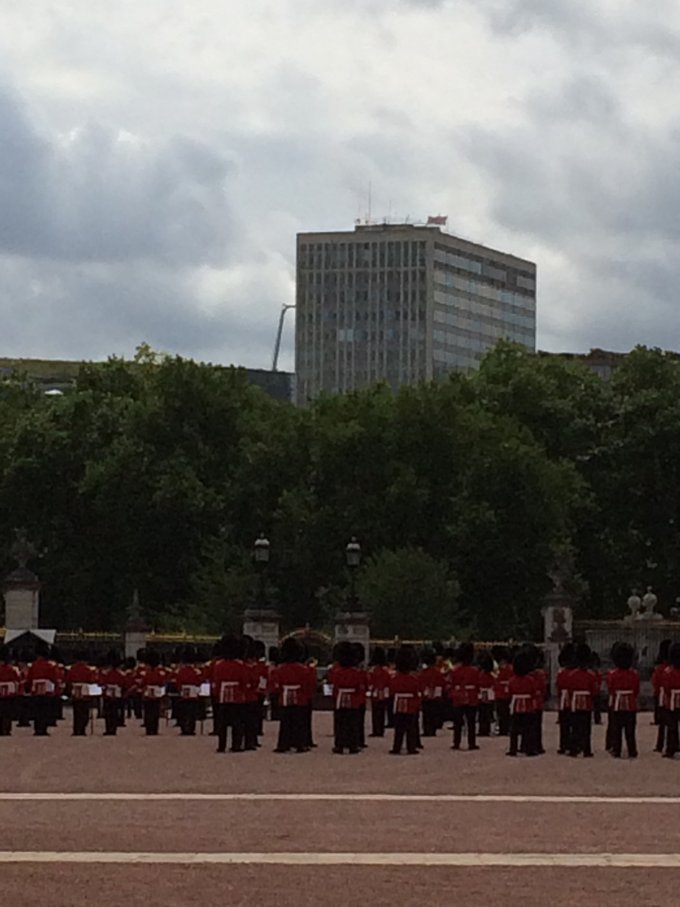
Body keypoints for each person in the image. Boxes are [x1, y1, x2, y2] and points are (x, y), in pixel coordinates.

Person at [272, 637, 314, 753]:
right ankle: (299, 744)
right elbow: (307, 685)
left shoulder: (279, 669)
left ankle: (283, 744)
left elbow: (277, 685)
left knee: (285, 722)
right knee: (298, 722)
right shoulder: (304, 670)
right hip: (300, 697)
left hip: (285, 696)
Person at [212, 635, 248, 753]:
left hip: (223, 695)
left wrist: (217, 694)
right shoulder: (240, 665)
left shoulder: (219, 665)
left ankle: (221, 746)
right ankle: (236, 745)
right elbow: (244, 681)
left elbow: (216, 681)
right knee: (237, 723)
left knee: (222, 724)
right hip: (237, 695)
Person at [606, 642, 639, 759]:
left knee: (617, 729)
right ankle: (632, 750)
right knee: (630, 729)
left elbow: (611, 689)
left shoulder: (612, 674)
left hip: (617, 704)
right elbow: (636, 690)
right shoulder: (634, 674)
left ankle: (617, 749)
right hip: (630, 703)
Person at [330, 641, 365, 754]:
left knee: (340, 723)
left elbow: (334, 686)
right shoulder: (357, 673)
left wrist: (335, 698)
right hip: (353, 699)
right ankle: (352, 745)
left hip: (340, 698)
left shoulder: (336, 672)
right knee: (352, 723)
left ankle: (339, 744)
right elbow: (359, 688)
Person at [564, 643, 598, 758]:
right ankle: (586, 749)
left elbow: (569, 690)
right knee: (586, 728)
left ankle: (574, 749)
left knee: (575, 727)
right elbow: (594, 691)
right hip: (587, 703)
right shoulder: (591, 675)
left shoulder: (571, 675)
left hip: (575, 702)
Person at [389, 645, 422, 755]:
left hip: (398, 703)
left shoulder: (394, 679)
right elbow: (416, 692)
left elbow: (392, 691)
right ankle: (411, 747)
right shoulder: (413, 679)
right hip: (411, 704)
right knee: (410, 728)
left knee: (399, 728)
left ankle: (396, 747)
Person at [448, 642, 480, 751]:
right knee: (471, 722)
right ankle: (472, 743)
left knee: (457, 722)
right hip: (471, 697)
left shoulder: (455, 671)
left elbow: (452, 684)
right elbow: (477, 685)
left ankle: (456, 742)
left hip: (458, 696)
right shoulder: (475, 671)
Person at [507, 650, 537, 757]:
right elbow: (533, 693)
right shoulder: (530, 680)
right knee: (528, 729)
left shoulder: (512, 680)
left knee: (514, 729)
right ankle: (529, 749)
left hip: (515, 705)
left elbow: (509, 693)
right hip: (528, 705)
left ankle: (513, 749)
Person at [26, 641, 60, 736]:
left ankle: (37, 728)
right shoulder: (50, 665)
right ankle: (43, 728)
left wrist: (28, 687)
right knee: (45, 710)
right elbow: (54, 679)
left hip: (36, 689)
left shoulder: (33, 665)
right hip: (47, 690)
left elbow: (30, 678)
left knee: (37, 710)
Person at [66, 649, 96, 736]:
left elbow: (68, 680)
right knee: (84, 711)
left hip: (76, 691)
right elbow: (91, 680)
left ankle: (76, 729)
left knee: (76, 711)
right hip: (85, 691)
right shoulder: (88, 670)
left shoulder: (73, 668)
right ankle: (82, 729)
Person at [176, 645, 203, 736]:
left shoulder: (181, 671)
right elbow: (199, 682)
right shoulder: (196, 671)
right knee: (192, 712)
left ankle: (184, 728)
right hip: (193, 692)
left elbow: (178, 682)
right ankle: (190, 729)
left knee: (183, 711)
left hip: (183, 692)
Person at [99, 650, 127, 736]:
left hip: (108, 693)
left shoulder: (106, 673)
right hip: (117, 693)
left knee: (108, 712)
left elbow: (101, 682)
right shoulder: (121, 673)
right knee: (114, 712)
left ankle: (109, 728)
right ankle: (113, 728)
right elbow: (124, 684)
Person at [419, 648, 445, 738]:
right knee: (434, 712)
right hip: (436, 694)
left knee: (426, 713)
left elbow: (421, 683)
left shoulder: (423, 672)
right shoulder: (438, 673)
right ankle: (432, 729)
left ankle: (427, 729)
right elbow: (442, 683)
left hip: (426, 693)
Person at [661, 642, 680, 759]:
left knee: (672, 726)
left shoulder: (668, 672)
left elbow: (666, 688)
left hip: (672, 701)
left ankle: (671, 749)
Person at [141, 648, 166, 737]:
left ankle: (150, 729)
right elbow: (162, 682)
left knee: (149, 711)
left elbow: (143, 682)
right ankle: (153, 729)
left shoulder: (146, 673)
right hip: (155, 692)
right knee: (154, 711)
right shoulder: (159, 672)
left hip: (149, 692)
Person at [652, 640, 671, 753]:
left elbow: (656, 683)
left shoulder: (659, 670)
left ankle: (660, 745)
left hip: (663, 698)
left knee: (663, 724)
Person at [367, 647, 391, 738]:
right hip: (383, 692)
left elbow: (370, 681)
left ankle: (376, 730)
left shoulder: (373, 670)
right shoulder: (385, 670)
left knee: (376, 712)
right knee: (381, 712)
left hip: (376, 691)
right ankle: (380, 730)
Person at [556, 644, 575, 755]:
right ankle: (574, 745)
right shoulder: (575, 673)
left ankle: (564, 745)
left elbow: (559, 687)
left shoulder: (561, 673)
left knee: (564, 724)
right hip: (575, 699)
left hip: (564, 699)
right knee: (575, 724)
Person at [0, 645, 21, 736]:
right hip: (9, 692)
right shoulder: (11, 670)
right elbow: (17, 680)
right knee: (7, 711)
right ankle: (6, 729)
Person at [493, 646, 512, 736]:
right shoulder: (497, 669)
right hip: (499, 692)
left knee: (506, 712)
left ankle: (506, 728)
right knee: (500, 712)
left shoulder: (510, 668)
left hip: (506, 692)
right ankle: (502, 728)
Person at [477, 651, 496, 738]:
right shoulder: (492, 675)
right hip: (489, 694)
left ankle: (482, 729)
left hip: (482, 694)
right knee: (488, 712)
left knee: (482, 713)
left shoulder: (480, 674)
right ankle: (486, 729)